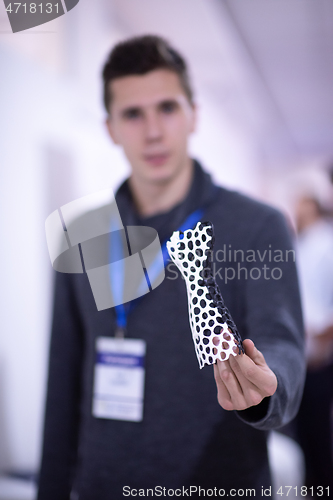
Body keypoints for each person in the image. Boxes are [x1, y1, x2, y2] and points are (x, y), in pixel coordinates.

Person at [37, 35, 305, 499]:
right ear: (110, 128)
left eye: (167, 108)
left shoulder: (256, 226)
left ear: (193, 115)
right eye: (133, 114)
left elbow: (282, 345)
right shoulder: (83, 235)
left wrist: (267, 387)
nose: (153, 131)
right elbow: (62, 384)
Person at [293, 194, 333, 494]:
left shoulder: (326, 244)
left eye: (302, 202)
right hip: (300, 355)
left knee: (320, 436)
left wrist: (322, 342)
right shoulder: (301, 243)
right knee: (304, 434)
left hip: (319, 356)